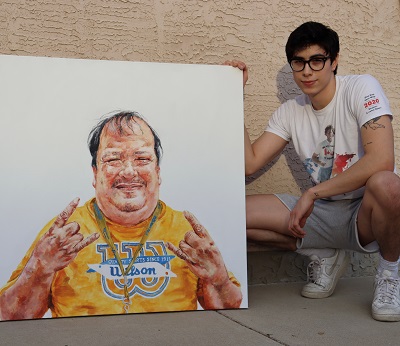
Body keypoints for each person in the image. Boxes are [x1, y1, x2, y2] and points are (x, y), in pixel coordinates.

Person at [226, 21, 400, 322]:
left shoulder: (361, 88)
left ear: (334, 60)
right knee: (229, 214)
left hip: (365, 214)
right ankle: (325, 255)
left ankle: (390, 275)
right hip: (321, 214)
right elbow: (249, 164)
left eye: (317, 60)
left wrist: (312, 192)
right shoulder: (290, 111)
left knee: (389, 184)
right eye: (298, 62)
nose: (307, 71)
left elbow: (382, 159)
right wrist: (233, 96)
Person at [0, 111, 242, 320]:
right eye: (113, 159)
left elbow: (228, 310)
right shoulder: (64, 235)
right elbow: (11, 317)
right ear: (95, 173)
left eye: (142, 159)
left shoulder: (185, 232)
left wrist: (218, 279)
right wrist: (39, 269)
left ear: (158, 171)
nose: (128, 172)